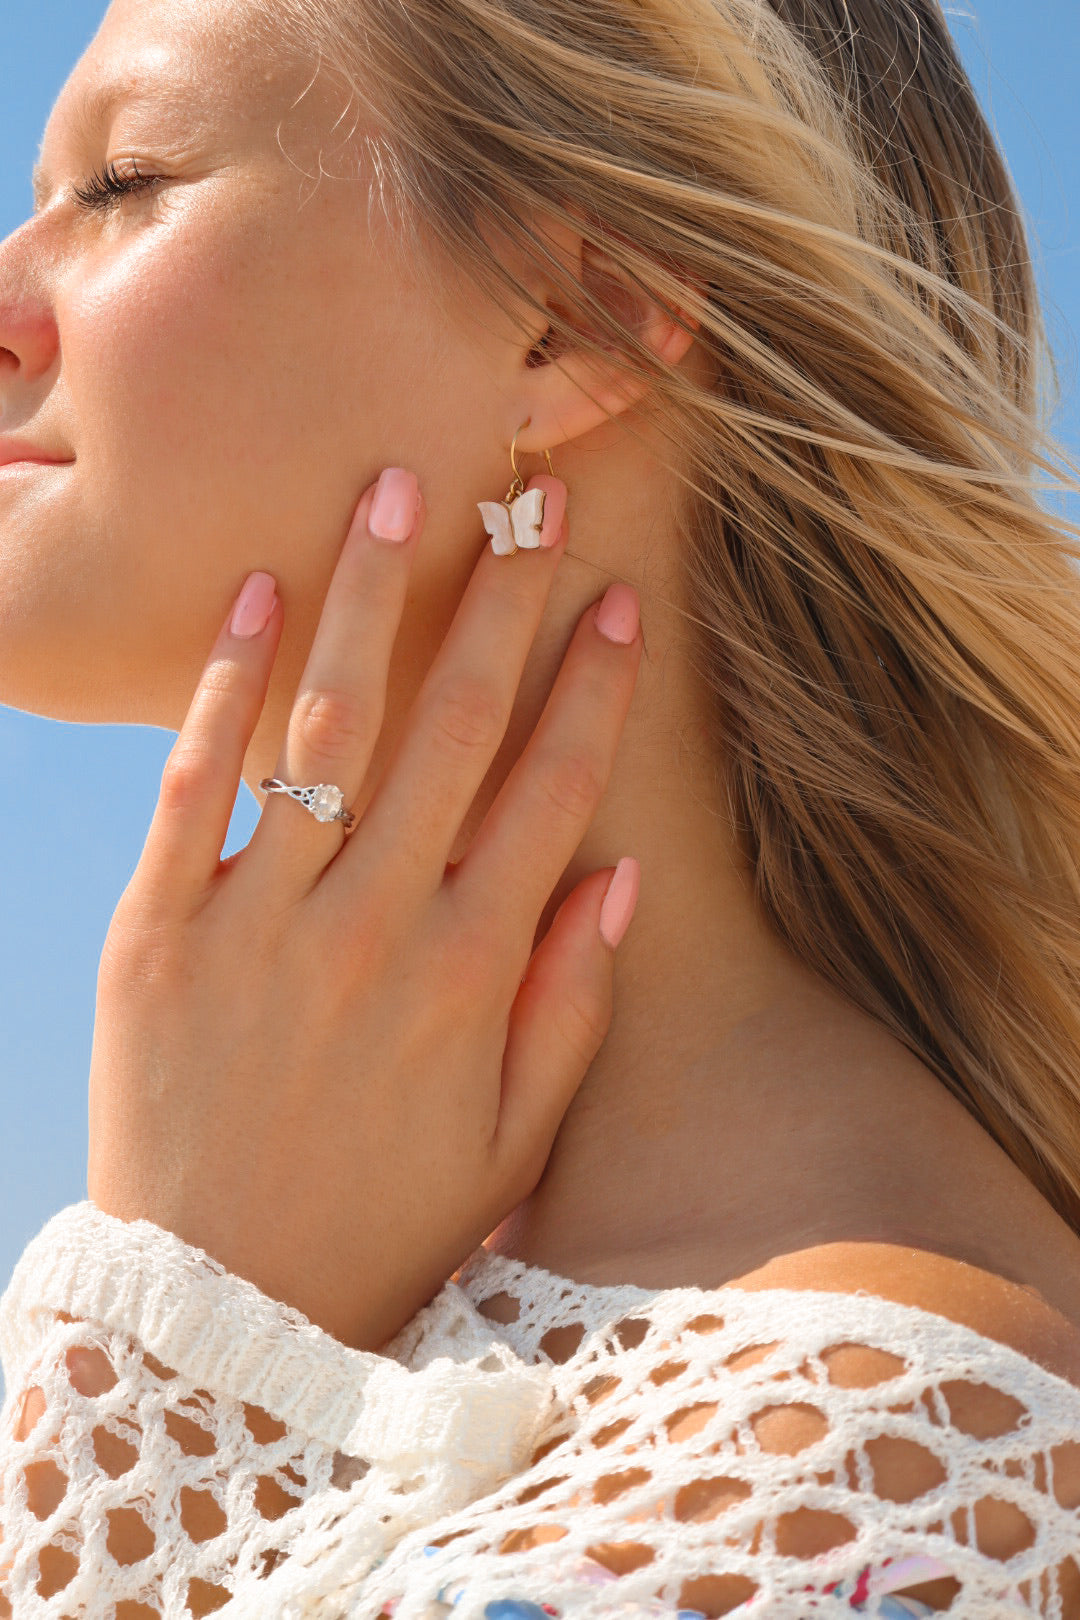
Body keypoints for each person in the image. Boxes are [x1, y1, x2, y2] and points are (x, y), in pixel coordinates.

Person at [1, 0, 1079, 1611]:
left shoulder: (885, 1451)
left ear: (576, 316)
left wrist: (179, 1361)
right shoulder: (357, 1269)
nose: (14, 301)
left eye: (121, 184)